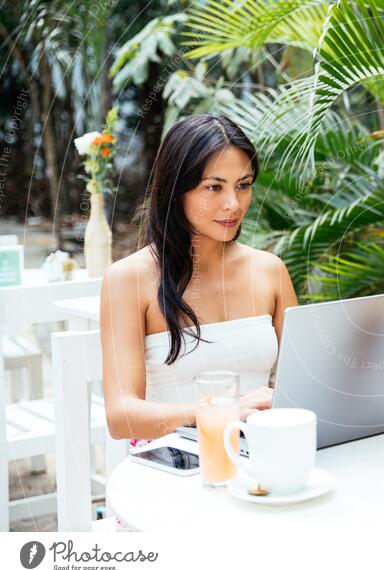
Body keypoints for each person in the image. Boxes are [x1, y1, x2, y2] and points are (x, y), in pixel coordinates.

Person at [100, 112, 298, 447]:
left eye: (244, 186)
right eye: (213, 187)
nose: (233, 204)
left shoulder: (270, 271)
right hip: (177, 461)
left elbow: (308, 382)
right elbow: (121, 417)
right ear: (177, 191)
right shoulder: (129, 279)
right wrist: (221, 412)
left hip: (265, 454)